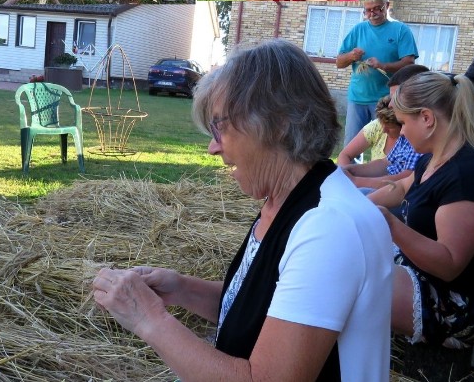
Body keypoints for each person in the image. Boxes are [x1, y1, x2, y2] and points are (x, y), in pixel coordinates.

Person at [92, 39, 393, 381]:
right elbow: (265, 309)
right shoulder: (290, 199)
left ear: (277, 122)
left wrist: (147, 318)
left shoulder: (328, 227)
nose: (211, 148)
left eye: (220, 127)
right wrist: (182, 289)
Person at [369, 72, 474, 348]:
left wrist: (390, 224)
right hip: (421, 276)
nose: (402, 132)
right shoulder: (433, 161)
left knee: (348, 280)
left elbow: (448, 264)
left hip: (458, 305)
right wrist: (357, 204)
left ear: (427, 118)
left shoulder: (468, 175)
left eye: (403, 122)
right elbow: (400, 189)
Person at [337, 0, 418, 146]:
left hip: (387, 102)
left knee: (386, 146)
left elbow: (409, 63)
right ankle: (349, 169)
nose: (372, 14)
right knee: (351, 146)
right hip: (357, 98)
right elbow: (339, 62)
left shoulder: (400, 30)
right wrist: (351, 56)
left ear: (386, 6)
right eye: (368, 10)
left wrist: (383, 65)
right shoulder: (358, 30)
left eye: (377, 9)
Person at [340, 65, 428, 193]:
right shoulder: (406, 129)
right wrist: (348, 170)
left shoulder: (423, 137)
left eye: (395, 98)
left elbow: (404, 182)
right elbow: (386, 163)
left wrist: (356, 182)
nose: (390, 104)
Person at [336, 95, 399, 166]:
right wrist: (344, 174)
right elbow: (345, 155)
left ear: (403, 124)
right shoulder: (376, 127)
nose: (384, 130)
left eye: (390, 127)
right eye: (382, 124)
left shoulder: (410, 143)